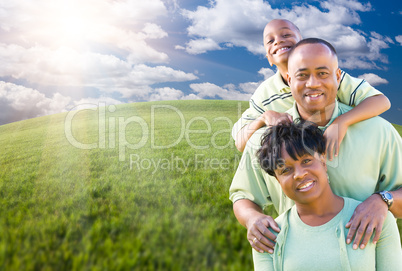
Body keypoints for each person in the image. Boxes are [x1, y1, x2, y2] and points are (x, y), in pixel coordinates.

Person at [229, 38, 402, 255]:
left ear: (338, 77)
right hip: (298, 259)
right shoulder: (263, 140)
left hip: (365, 259)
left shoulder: (379, 131)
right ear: (289, 80)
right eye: (302, 75)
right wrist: (252, 218)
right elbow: (243, 196)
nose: (313, 83)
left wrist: (383, 200)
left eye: (322, 73)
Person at [252, 121, 402, 271]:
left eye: (306, 160)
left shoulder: (376, 218)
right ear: (278, 180)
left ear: (323, 161)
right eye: (285, 170)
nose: (299, 174)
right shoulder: (267, 236)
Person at [232, 19, 390, 158]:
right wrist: (263, 117)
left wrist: (342, 122)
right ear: (269, 58)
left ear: (302, 44)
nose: (278, 41)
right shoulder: (264, 93)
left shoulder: (328, 77)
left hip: (344, 151)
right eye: (270, 40)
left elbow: (381, 101)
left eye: (286, 35)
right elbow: (240, 144)